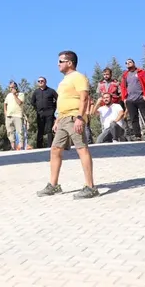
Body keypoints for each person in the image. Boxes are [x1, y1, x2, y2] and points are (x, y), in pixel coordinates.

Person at [38, 51, 98, 199]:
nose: (58, 64)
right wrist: (57, 120)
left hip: (74, 118)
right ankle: (53, 185)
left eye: (61, 61)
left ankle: (91, 187)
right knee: (55, 149)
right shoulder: (64, 80)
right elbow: (63, 101)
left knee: (82, 149)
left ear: (70, 63)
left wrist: (80, 117)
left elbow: (84, 98)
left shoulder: (78, 77)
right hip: (63, 119)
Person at [120, 58, 145, 141]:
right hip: (130, 100)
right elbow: (123, 87)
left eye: (130, 62)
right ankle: (137, 136)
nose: (128, 63)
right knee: (133, 118)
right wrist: (124, 98)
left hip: (141, 98)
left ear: (134, 63)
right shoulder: (125, 75)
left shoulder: (141, 72)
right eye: (126, 63)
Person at [28, 77, 58, 149]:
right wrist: (37, 109)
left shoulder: (51, 91)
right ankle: (39, 147)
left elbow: (58, 99)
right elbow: (32, 102)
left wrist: (53, 108)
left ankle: (50, 146)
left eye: (42, 81)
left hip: (49, 112)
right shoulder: (36, 92)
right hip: (40, 113)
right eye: (39, 81)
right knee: (40, 129)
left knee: (49, 130)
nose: (40, 82)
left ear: (45, 82)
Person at [3, 82, 25, 151]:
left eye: (12, 87)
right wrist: (5, 112)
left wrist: (15, 95)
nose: (11, 89)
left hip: (17, 115)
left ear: (16, 87)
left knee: (20, 131)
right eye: (10, 87)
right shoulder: (8, 95)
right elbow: (5, 103)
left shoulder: (21, 94)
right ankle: (13, 147)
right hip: (9, 116)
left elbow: (20, 103)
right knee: (10, 132)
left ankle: (21, 146)